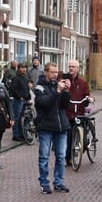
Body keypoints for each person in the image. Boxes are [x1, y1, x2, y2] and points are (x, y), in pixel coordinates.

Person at [34, 62, 71, 194]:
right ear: (46, 72)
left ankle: (58, 182)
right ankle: (44, 183)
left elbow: (65, 105)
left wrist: (66, 91)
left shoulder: (58, 85)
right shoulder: (39, 87)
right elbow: (44, 103)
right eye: (52, 72)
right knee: (44, 156)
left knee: (61, 156)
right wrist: (57, 92)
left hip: (61, 126)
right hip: (46, 126)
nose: (55, 75)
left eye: (56, 72)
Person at [63, 60, 93, 166]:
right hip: (68, 112)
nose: (71, 68)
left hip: (79, 112)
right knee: (68, 136)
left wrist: (89, 99)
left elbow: (87, 94)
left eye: (73, 66)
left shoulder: (82, 83)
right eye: (70, 66)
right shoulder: (64, 81)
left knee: (83, 137)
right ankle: (68, 158)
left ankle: (81, 148)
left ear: (77, 68)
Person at [7, 62, 32, 141]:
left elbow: (27, 88)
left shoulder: (26, 77)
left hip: (25, 100)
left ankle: (22, 134)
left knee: (22, 118)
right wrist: (19, 97)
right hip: (18, 101)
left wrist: (28, 96)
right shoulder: (16, 78)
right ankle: (16, 135)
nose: (24, 69)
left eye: (25, 68)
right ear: (18, 69)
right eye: (22, 68)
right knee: (17, 118)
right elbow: (12, 89)